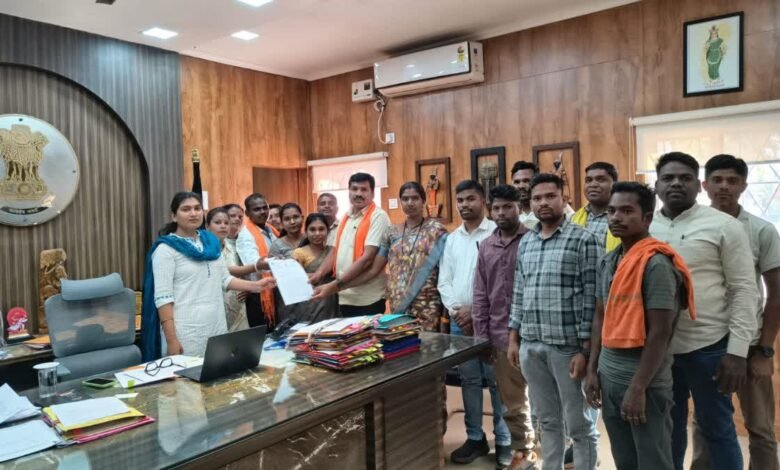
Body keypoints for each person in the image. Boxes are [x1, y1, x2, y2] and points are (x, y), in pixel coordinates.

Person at [648, 152, 758, 470]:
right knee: (667, 430)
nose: (676, 183)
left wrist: (737, 352)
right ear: (657, 186)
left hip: (709, 347)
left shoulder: (724, 226)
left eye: (684, 178)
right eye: (668, 178)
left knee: (718, 431)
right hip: (658, 350)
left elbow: (744, 290)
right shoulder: (644, 225)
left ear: (699, 186)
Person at [584, 182, 695, 470]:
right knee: (625, 459)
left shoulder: (656, 264)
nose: (616, 217)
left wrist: (637, 388)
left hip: (644, 384)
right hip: (609, 377)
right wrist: (592, 370)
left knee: (653, 460)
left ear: (647, 217)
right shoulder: (610, 261)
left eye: (626, 211)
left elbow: (661, 332)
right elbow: (600, 316)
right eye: (611, 211)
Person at [507, 173, 601, 470]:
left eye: (550, 196)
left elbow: (592, 300)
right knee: (547, 421)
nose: (543, 202)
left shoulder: (584, 239)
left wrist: (585, 351)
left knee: (579, 426)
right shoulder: (527, 242)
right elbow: (519, 292)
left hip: (567, 349)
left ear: (564, 198)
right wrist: (514, 338)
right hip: (531, 345)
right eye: (537, 198)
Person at [695, 154, 780, 470]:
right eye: (717, 180)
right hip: (704, 343)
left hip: (749, 345)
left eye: (732, 181)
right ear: (705, 185)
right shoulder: (693, 226)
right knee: (705, 425)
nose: (724, 186)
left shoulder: (761, 230)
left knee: (760, 429)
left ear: (744, 185)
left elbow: (776, 293)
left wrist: (765, 351)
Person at [140, 192, 276, 360]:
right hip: (185, 331)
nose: (193, 213)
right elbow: (163, 298)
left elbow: (225, 279)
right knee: (187, 376)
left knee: (217, 372)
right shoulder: (166, 250)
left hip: (216, 325)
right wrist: (171, 339)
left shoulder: (210, 244)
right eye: (186, 209)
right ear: (174, 216)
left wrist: (258, 286)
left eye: (197, 208)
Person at [438, 180, 512, 468]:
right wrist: (457, 311)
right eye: (460, 200)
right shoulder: (452, 239)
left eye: (470, 198)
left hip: (493, 322)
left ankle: (504, 440)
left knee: (497, 381)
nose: (464, 204)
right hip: (460, 323)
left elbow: (503, 282)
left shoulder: (497, 233)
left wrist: (477, 312)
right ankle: (475, 438)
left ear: (483, 201)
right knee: (468, 380)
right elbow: (444, 280)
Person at [472, 184, 537, 470]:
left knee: (546, 400)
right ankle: (524, 454)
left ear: (519, 208)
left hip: (535, 335)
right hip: (499, 336)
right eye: (496, 208)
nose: (501, 212)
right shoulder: (486, 246)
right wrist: (481, 338)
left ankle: (556, 453)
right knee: (513, 402)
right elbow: (480, 294)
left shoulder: (533, 239)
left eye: (507, 207)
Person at [310, 173, 390, 317]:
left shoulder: (378, 216)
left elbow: (367, 258)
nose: (358, 193)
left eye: (364, 189)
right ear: (349, 191)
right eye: (354, 189)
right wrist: (317, 275)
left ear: (372, 193)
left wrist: (334, 286)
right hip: (345, 296)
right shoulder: (346, 217)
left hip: (367, 298)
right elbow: (335, 252)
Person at [386, 181, 447, 331]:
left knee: (429, 343)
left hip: (427, 304)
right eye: (405, 199)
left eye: (415, 198)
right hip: (398, 302)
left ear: (423, 201)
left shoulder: (437, 231)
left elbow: (447, 270)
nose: (410, 203)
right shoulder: (392, 232)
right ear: (400, 202)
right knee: (401, 341)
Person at [205, 207, 261, 332]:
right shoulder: (203, 249)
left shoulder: (234, 247)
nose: (223, 226)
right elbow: (224, 271)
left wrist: (246, 289)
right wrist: (257, 266)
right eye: (217, 223)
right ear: (207, 226)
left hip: (237, 306)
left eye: (226, 223)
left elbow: (241, 274)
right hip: (215, 304)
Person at [237, 193, 279, 327]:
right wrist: (279, 261)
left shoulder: (271, 230)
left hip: (274, 289)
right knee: (264, 333)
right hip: (259, 295)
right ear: (247, 213)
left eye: (265, 208)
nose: (262, 212)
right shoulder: (246, 235)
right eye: (257, 209)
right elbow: (254, 263)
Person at [290, 213, 339, 323]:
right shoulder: (299, 253)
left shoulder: (333, 251)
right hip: (310, 303)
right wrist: (314, 276)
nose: (317, 233)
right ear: (306, 232)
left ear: (328, 231)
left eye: (321, 229)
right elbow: (294, 281)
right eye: (312, 230)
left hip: (332, 300)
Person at [571, 162, 620, 252]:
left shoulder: (623, 219)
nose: (593, 185)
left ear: (615, 184)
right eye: (588, 180)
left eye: (600, 180)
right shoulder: (573, 219)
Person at [511, 161, 574, 230]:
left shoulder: (559, 207)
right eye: (516, 182)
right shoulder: (508, 210)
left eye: (526, 181)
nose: (521, 186)